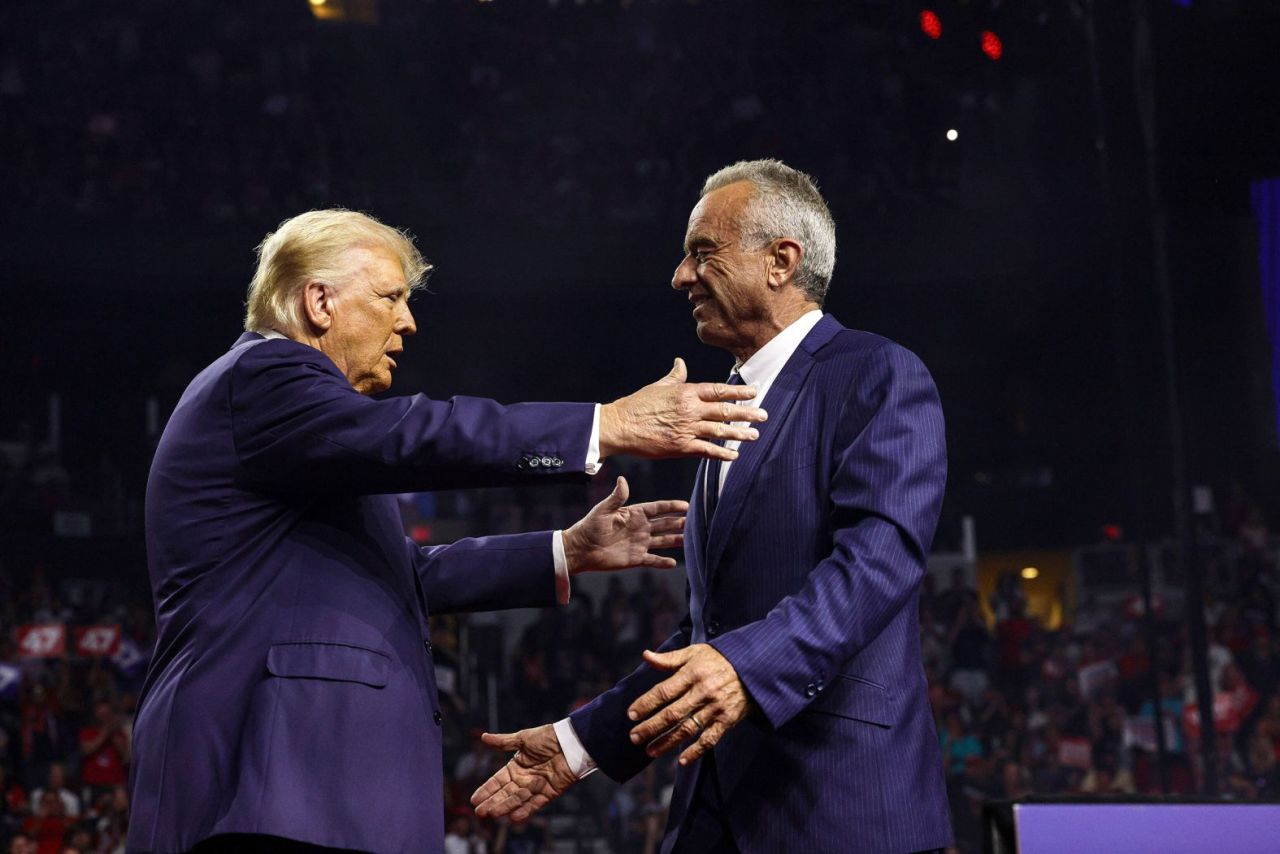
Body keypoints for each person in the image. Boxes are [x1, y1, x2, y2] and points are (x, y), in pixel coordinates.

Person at [127, 209, 768, 853]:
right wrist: (603, 425)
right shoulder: (264, 378)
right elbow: (417, 435)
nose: (408, 321)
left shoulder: (305, 436)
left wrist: (566, 551)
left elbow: (403, 574)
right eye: (390, 298)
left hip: (313, 789)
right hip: (269, 784)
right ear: (318, 301)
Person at [473, 160, 952, 853]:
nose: (679, 276)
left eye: (703, 253)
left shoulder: (877, 373)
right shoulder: (726, 407)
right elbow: (711, 632)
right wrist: (581, 743)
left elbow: (878, 563)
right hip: (715, 809)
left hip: (841, 808)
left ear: (781, 261)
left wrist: (743, 668)